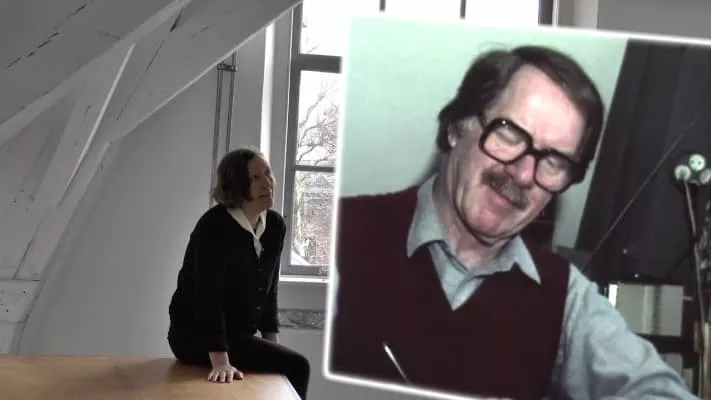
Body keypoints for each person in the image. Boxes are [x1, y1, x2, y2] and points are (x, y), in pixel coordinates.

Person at [329, 46, 698, 400]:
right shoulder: (338, 234)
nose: (523, 175)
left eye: (553, 161)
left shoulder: (567, 296)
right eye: (509, 133)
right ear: (456, 128)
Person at [167, 148, 310, 399]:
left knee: (286, 366)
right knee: (298, 366)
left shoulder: (275, 226)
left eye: (268, 173)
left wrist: (271, 346)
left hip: (237, 336)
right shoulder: (214, 226)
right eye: (255, 178)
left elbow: (269, 290)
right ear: (236, 185)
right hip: (194, 336)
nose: (267, 183)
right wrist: (220, 361)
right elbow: (207, 296)